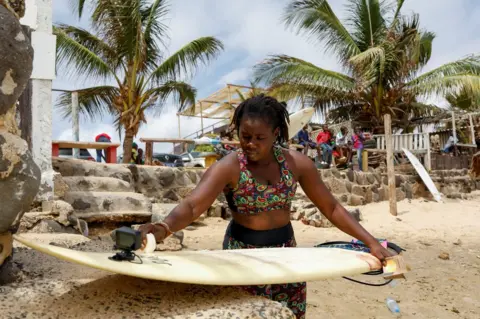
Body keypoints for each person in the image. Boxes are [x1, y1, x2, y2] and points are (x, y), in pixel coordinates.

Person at [138, 95, 391, 319]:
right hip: (241, 256)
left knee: (289, 314)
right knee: (245, 313)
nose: (250, 144)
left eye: (260, 138)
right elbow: (194, 205)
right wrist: (163, 227)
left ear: (276, 133)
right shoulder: (230, 167)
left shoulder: (297, 164)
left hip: (286, 254)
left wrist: (371, 243)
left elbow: (332, 208)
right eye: (245, 136)